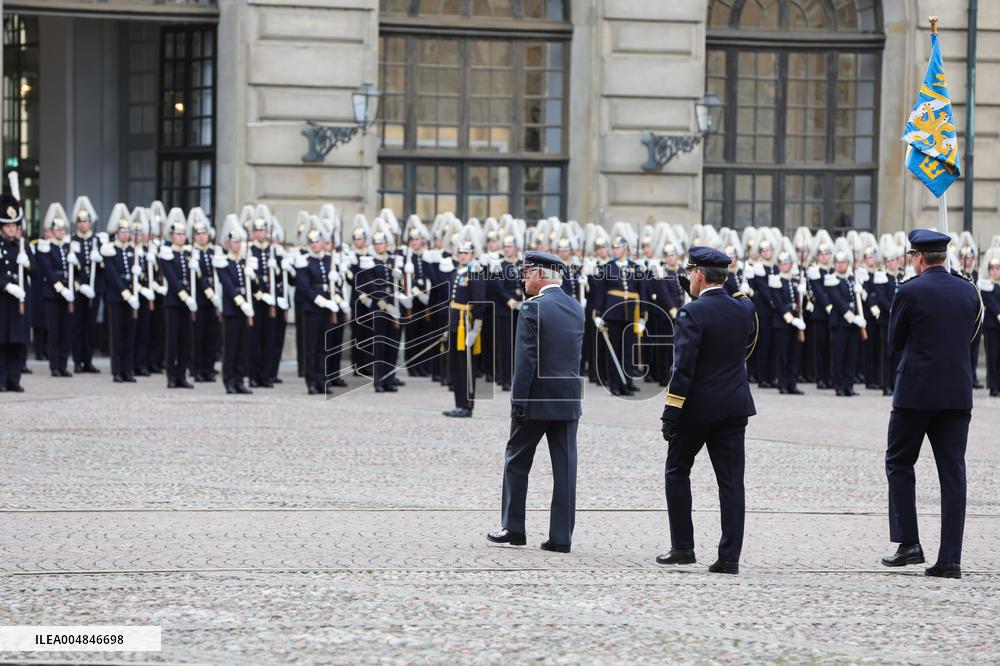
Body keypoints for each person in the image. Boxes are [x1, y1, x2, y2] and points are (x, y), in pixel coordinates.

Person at [881, 229, 983, 580]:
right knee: (953, 473)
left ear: (919, 258)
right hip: (957, 392)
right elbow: (972, 336)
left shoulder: (909, 290)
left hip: (916, 391)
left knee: (898, 462)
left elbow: (894, 341)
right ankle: (950, 558)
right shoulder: (968, 290)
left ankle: (909, 542)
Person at [657, 246, 757, 575]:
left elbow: (683, 369)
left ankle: (683, 547)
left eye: (690, 274)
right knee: (731, 483)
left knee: (677, 471)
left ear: (698, 275)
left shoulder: (692, 314)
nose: (688, 279)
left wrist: (671, 412)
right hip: (734, 406)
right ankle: (730, 557)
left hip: (697, 410)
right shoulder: (744, 309)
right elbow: (748, 341)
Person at [487, 250, 584, 553]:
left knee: (516, 461)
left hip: (537, 399)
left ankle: (513, 528)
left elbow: (526, 360)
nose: (524, 277)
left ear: (542, 276)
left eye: (528, 272)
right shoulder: (576, 307)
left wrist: (518, 401)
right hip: (568, 398)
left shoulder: (532, 308)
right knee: (565, 469)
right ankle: (561, 537)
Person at [0, 178, 29, 392]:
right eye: (8, 226)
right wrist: (6, 286)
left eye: (14, 226)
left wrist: (27, 264)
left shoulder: (22, 246)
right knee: (2, 343)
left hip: (20, 301)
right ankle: (1, 380)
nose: (11, 229)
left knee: (18, 343)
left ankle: (14, 379)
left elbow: (37, 272)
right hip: (3, 300)